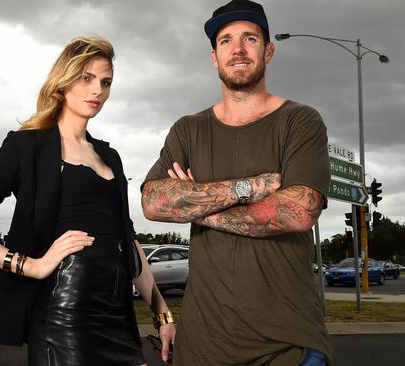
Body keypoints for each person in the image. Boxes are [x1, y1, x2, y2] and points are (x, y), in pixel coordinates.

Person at [0, 36, 175, 366]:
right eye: (86, 78)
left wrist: (162, 314)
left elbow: (128, 239)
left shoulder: (110, 156)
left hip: (119, 318)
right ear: (63, 81)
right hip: (63, 317)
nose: (97, 90)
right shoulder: (27, 146)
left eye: (105, 82)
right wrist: (30, 265)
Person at [141, 1, 332, 365]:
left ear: (268, 50)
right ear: (214, 57)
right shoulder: (189, 129)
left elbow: (297, 211)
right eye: (226, 41)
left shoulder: (300, 121)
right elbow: (153, 201)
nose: (238, 49)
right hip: (202, 344)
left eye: (250, 38)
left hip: (287, 344)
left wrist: (195, 208)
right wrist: (249, 187)